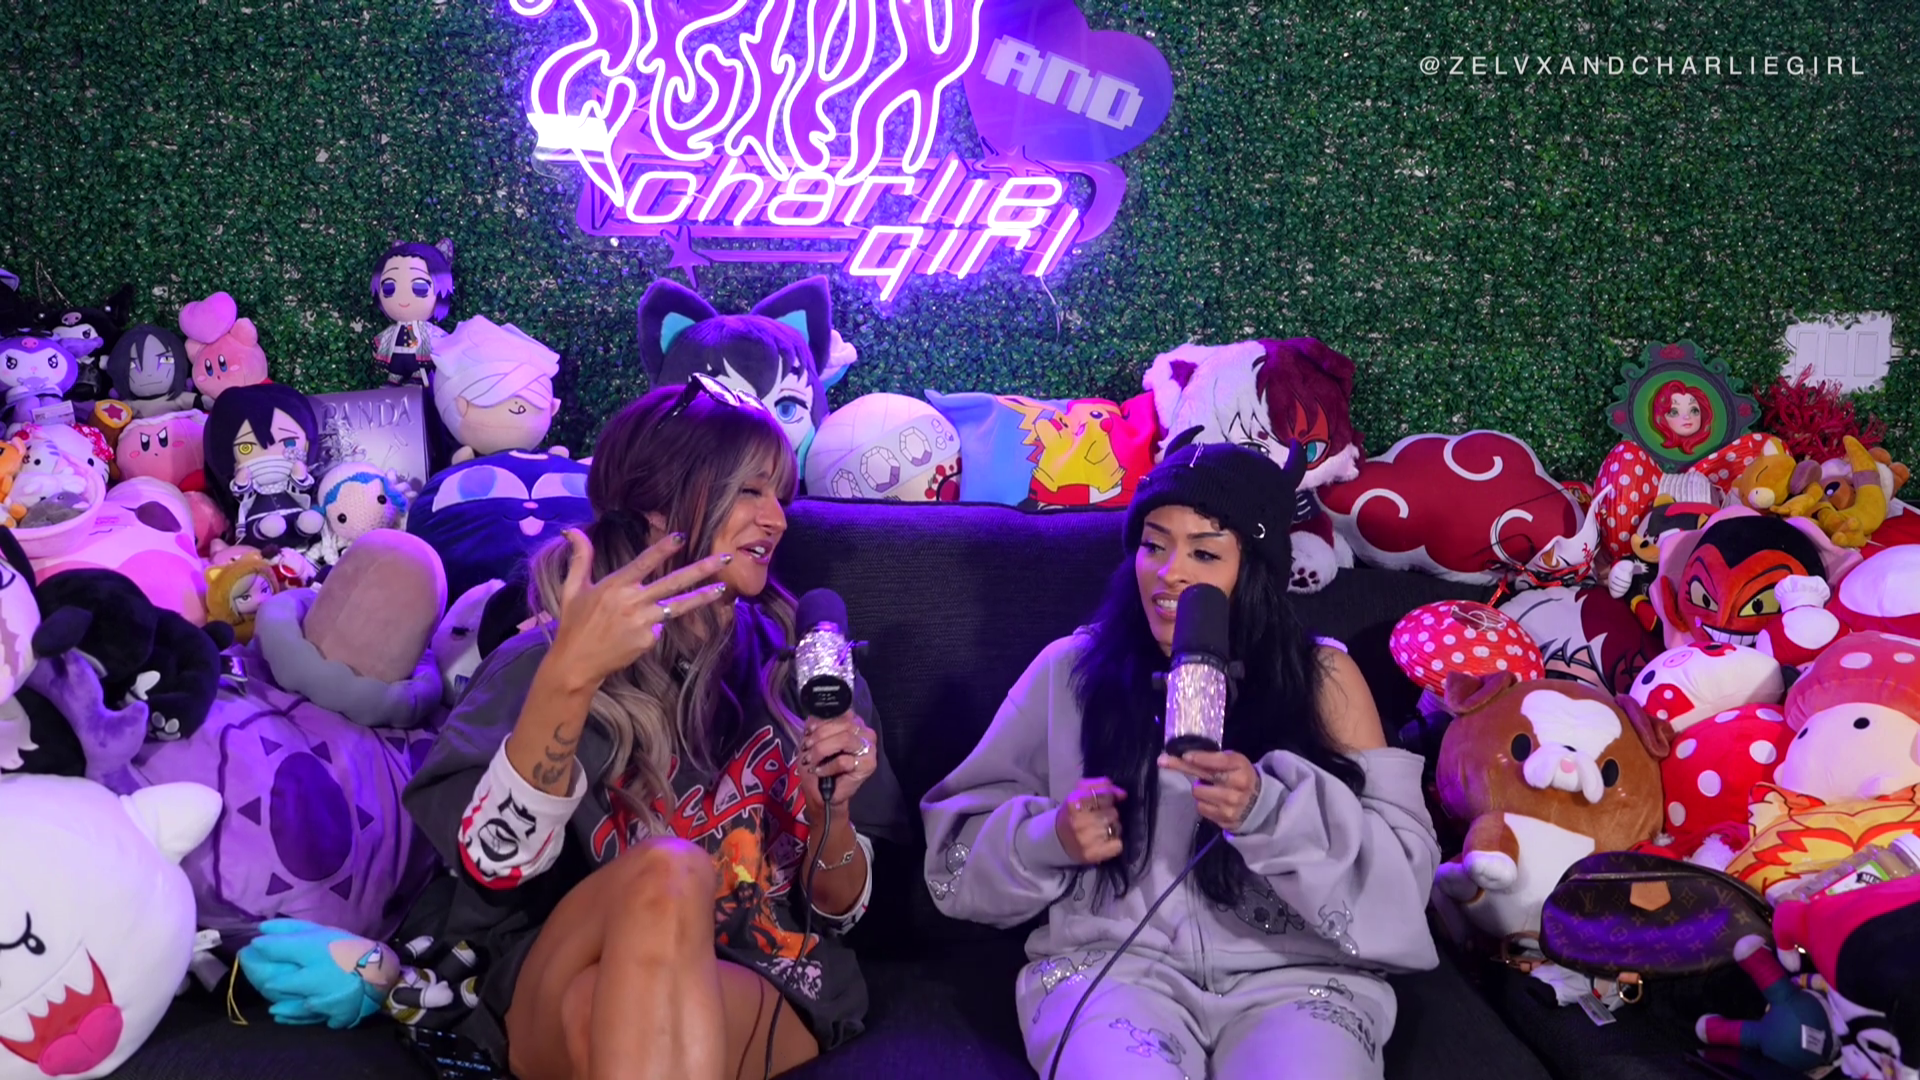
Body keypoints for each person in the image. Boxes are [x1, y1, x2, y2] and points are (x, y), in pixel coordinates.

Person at [404, 374, 904, 1080]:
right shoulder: (545, 662)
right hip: (557, 963)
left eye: (781, 496)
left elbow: (842, 915)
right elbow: (492, 868)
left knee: (611, 1018)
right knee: (669, 873)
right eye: (750, 491)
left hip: (747, 974)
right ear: (657, 503)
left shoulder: (806, 669)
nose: (778, 520)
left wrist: (833, 815)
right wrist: (570, 680)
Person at [921, 431, 1441, 1080]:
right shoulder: (1069, 671)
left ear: (1254, 569)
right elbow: (953, 861)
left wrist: (1269, 811)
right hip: (1116, 974)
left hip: (1299, 980)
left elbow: (1405, 885)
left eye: (1204, 552)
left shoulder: (1325, 678)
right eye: (1153, 545)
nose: (1170, 574)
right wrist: (1051, 838)